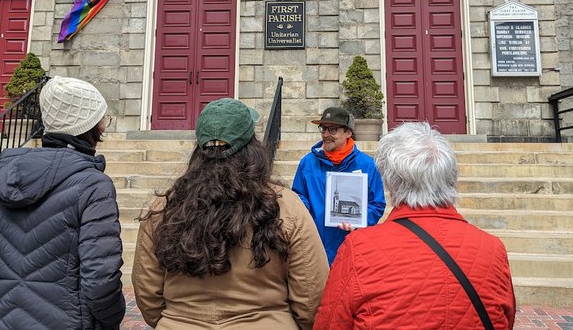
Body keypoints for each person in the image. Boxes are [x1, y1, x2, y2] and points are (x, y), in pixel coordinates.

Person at [132, 97, 329, 329]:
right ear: (253, 148)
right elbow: (310, 296)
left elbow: (148, 293)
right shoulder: (285, 206)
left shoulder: (166, 207)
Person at [314, 121, 516, 329]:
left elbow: (330, 322)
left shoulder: (359, 248)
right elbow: (506, 318)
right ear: (450, 177)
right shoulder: (493, 249)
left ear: (391, 181)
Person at [0, 76, 125, 329]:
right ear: (89, 125)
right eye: (101, 118)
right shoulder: (93, 185)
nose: (104, 126)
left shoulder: (10, 176)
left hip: (6, 319)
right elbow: (101, 278)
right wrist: (112, 319)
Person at [291, 106, 385, 264]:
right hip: (315, 248)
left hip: (352, 247)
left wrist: (358, 221)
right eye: (323, 129)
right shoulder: (307, 163)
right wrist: (305, 212)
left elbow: (377, 204)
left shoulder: (367, 165)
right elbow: (300, 196)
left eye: (332, 129)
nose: (326, 135)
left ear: (348, 132)